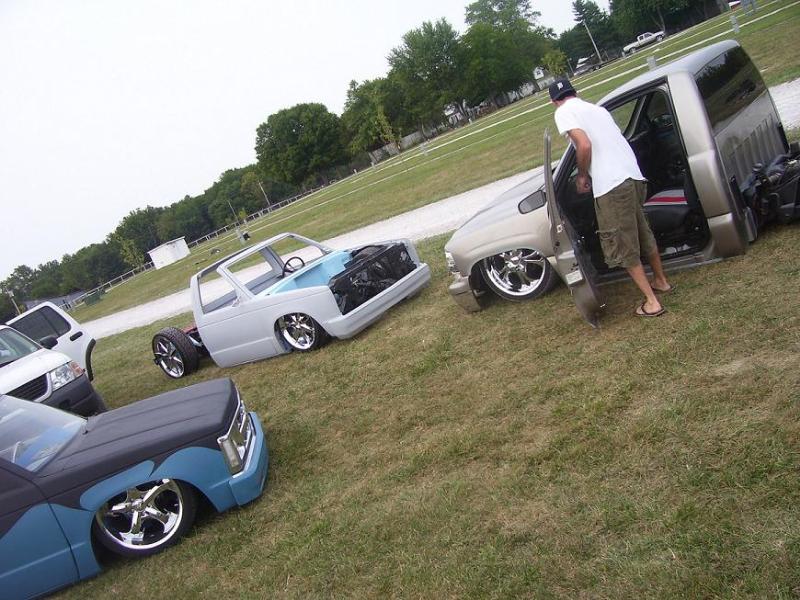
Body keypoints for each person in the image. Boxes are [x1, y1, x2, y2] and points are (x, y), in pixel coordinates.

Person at [548, 77, 673, 317]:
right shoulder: (598, 110)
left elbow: (584, 145)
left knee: (621, 244)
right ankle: (661, 281)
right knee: (642, 232)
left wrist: (581, 176)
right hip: (633, 177)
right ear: (576, 92)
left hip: (612, 185)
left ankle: (652, 302)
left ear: (554, 102)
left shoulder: (563, 112)